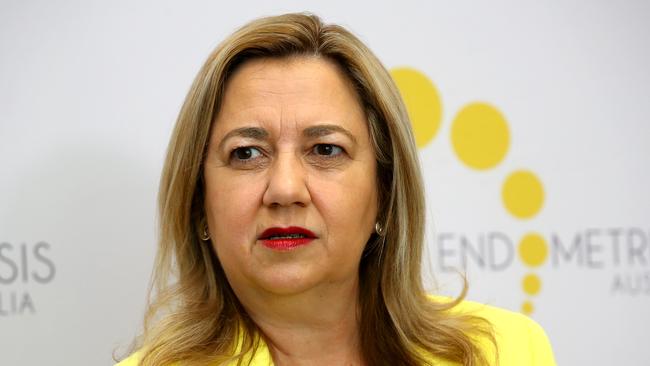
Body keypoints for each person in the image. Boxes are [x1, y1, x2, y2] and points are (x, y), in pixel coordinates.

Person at [117, 12, 556, 366]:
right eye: (247, 153)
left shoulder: (505, 352)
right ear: (198, 204)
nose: (285, 189)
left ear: (384, 191)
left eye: (326, 149)